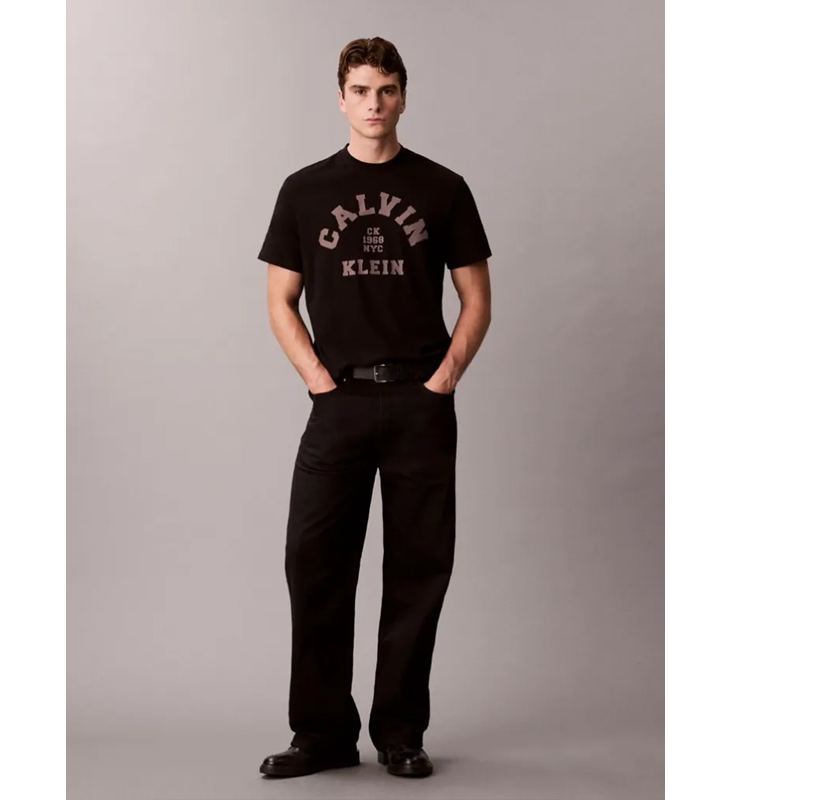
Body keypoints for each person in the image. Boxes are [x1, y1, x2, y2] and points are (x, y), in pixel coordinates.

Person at [256, 36, 492, 779]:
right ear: (341, 98)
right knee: (314, 563)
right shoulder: (304, 190)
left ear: (403, 97)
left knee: (419, 569)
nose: (373, 103)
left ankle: (400, 732)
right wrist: (318, 381)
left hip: (420, 402)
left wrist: (444, 379)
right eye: (360, 90)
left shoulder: (444, 188)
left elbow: (477, 298)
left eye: (386, 89)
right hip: (341, 401)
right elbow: (280, 301)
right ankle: (323, 734)